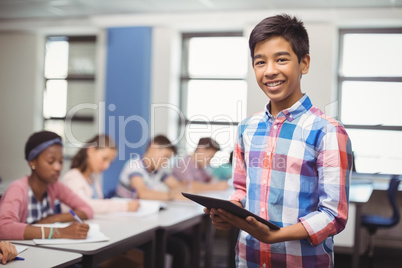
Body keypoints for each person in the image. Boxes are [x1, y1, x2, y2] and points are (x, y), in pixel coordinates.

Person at [205, 14, 353, 267]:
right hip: (247, 259)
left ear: (304, 63)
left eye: (281, 59)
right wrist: (227, 212)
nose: (270, 70)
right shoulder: (247, 128)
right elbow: (241, 190)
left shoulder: (328, 131)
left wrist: (275, 236)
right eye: (260, 62)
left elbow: (333, 216)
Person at [0, 131, 93, 240]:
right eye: (50, 161)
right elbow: (3, 227)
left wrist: (53, 219)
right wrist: (58, 232)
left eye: (61, 162)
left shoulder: (55, 186)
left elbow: (87, 209)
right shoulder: (17, 189)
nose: (58, 167)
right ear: (33, 162)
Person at [61, 134, 140, 214]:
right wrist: (125, 206)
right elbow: (85, 205)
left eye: (110, 162)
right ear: (91, 151)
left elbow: (99, 204)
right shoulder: (72, 178)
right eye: (104, 159)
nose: (107, 166)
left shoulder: (93, 178)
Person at [116, 135, 185, 201]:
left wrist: (173, 193)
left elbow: (178, 187)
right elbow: (142, 194)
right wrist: (172, 195)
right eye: (165, 157)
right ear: (153, 148)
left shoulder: (160, 170)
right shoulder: (134, 166)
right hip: (123, 209)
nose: (166, 162)